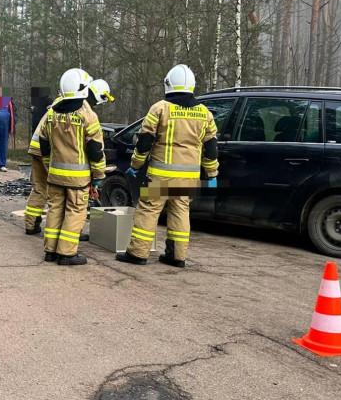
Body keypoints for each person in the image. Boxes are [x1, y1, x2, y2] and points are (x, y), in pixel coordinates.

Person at [115, 64, 219, 268]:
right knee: (181, 212)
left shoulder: (160, 108)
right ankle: (177, 257)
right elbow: (211, 148)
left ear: (169, 84)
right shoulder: (205, 114)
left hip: (160, 176)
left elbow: (144, 141)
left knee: (148, 211)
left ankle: (137, 254)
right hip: (188, 178)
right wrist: (212, 173)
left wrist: (136, 165)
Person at [38, 69, 107, 265]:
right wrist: (99, 174)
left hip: (55, 176)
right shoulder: (88, 116)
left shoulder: (51, 112)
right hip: (78, 179)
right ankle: (67, 253)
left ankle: (50, 251)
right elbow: (95, 149)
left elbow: (44, 143)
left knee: (55, 210)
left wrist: (48, 166)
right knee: (75, 212)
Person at [24, 91, 62, 235]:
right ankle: (60, 228)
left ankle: (31, 224)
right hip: (47, 151)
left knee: (39, 188)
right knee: (59, 191)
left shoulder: (53, 106)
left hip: (36, 147)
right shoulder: (70, 107)